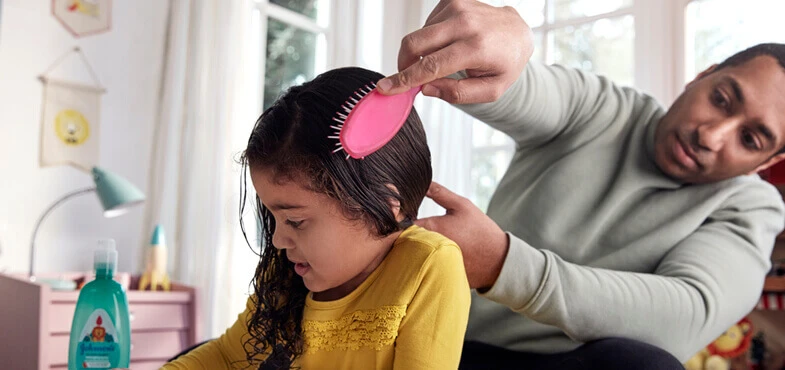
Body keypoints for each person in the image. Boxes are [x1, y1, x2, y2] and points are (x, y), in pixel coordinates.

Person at [376, 1, 785, 369]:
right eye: (721, 99)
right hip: (444, 338)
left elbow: (682, 321)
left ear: (767, 162)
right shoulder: (601, 109)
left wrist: (503, 264)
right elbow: (518, 88)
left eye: (750, 139)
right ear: (701, 76)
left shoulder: (749, 208)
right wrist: (492, 49)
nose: (711, 136)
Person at [163, 67, 470, 369]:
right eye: (273, 217)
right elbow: (226, 358)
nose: (277, 240)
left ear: (386, 204)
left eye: (295, 221)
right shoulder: (285, 275)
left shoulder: (427, 267)